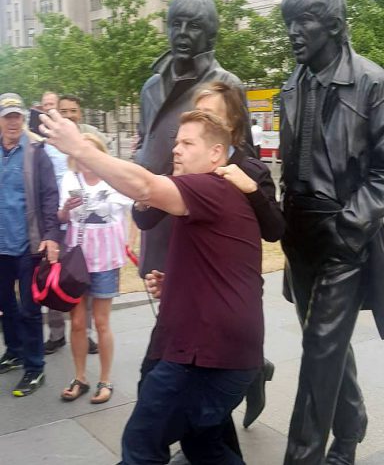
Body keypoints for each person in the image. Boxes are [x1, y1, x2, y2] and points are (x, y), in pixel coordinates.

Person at [40, 108, 264, 464]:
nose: (176, 150)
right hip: (226, 356)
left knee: (142, 446)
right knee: (206, 448)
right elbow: (227, 265)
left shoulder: (210, 186)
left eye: (187, 143)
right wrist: (177, 283)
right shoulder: (216, 195)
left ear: (216, 154)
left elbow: (143, 185)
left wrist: (81, 149)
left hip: (205, 358)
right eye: (176, 143)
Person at [279, 0, 384, 465]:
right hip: (299, 236)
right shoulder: (292, 82)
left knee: (318, 351)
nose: (293, 33)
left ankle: (303, 457)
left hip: (343, 235)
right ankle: (351, 424)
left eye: (304, 22)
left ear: (333, 26)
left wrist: (349, 226)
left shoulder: (372, 83)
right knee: (326, 343)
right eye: (288, 23)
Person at [134, 81, 285, 463]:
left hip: (226, 302)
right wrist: (145, 191)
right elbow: (147, 217)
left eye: (212, 113)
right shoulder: (187, 158)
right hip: (185, 293)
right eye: (198, 109)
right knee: (189, 409)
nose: (202, 119)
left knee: (192, 407)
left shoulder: (249, 168)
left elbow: (275, 230)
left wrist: (252, 190)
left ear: (231, 124)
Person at [134, 0, 252, 278]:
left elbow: (244, 156)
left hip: (199, 221)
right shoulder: (151, 86)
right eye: (177, 24)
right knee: (165, 311)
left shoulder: (225, 85)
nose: (183, 33)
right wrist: (139, 163)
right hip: (155, 216)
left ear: (210, 35)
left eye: (194, 26)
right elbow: (143, 138)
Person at [58, 133, 131, 404]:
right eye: (80, 152)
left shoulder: (114, 178)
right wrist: (66, 207)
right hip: (77, 260)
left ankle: (105, 380)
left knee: (101, 322)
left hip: (107, 258)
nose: (85, 158)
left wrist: (128, 244)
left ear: (99, 153)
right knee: (77, 322)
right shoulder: (69, 178)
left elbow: (130, 212)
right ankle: (80, 378)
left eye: (91, 152)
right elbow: (61, 218)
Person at [0, 93, 60, 397]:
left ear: (23, 119)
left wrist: (51, 235)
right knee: (5, 307)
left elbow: (51, 196)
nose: (13, 122)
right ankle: (14, 351)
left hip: (28, 245)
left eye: (17, 116)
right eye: (7, 116)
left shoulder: (36, 151)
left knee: (29, 309)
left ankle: (35, 368)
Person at [41, 91, 98, 356]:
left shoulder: (89, 144)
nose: (68, 115)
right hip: (56, 223)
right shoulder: (45, 146)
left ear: (80, 114)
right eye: (62, 111)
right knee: (54, 279)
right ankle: (56, 334)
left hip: (84, 227)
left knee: (80, 281)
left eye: (72, 111)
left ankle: (84, 334)